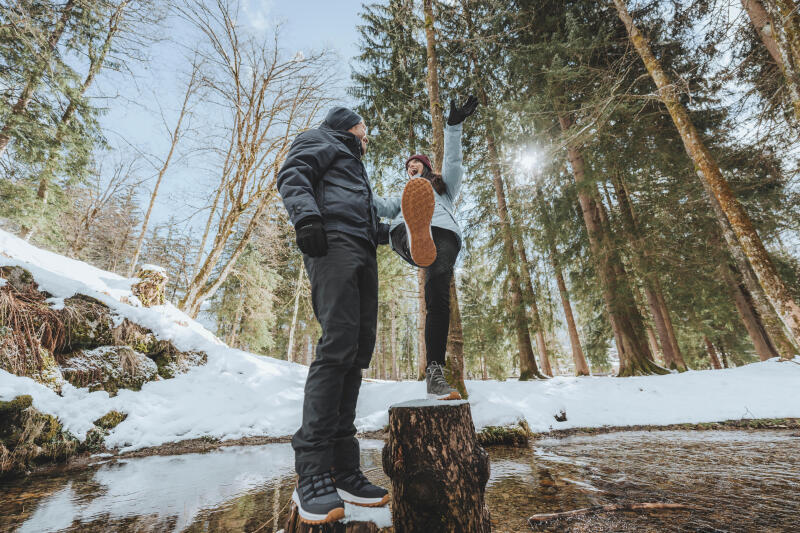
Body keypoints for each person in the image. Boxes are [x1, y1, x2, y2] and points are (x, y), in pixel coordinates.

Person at [277, 106, 391, 524]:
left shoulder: (356, 167)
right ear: (348, 124)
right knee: (337, 344)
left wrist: (384, 232)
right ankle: (312, 472)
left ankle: (344, 468)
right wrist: (306, 218)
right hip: (332, 244)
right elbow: (293, 176)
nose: (367, 137)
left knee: (357, 352)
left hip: (361, 249)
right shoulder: (319, 139)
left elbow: (359, 210)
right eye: (365, 130)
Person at [375, 95, 479, 400]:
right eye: (408, 165)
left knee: (438, 300)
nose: (411, 166)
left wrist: (454, 126)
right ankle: (408, 235)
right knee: (394, 222)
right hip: (409, 234)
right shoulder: (402, 195)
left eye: (417, 163)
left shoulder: (444, 188)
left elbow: (453, 162)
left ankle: (435, 373)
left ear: (427, 167)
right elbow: (379, 204)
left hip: (443, 237)